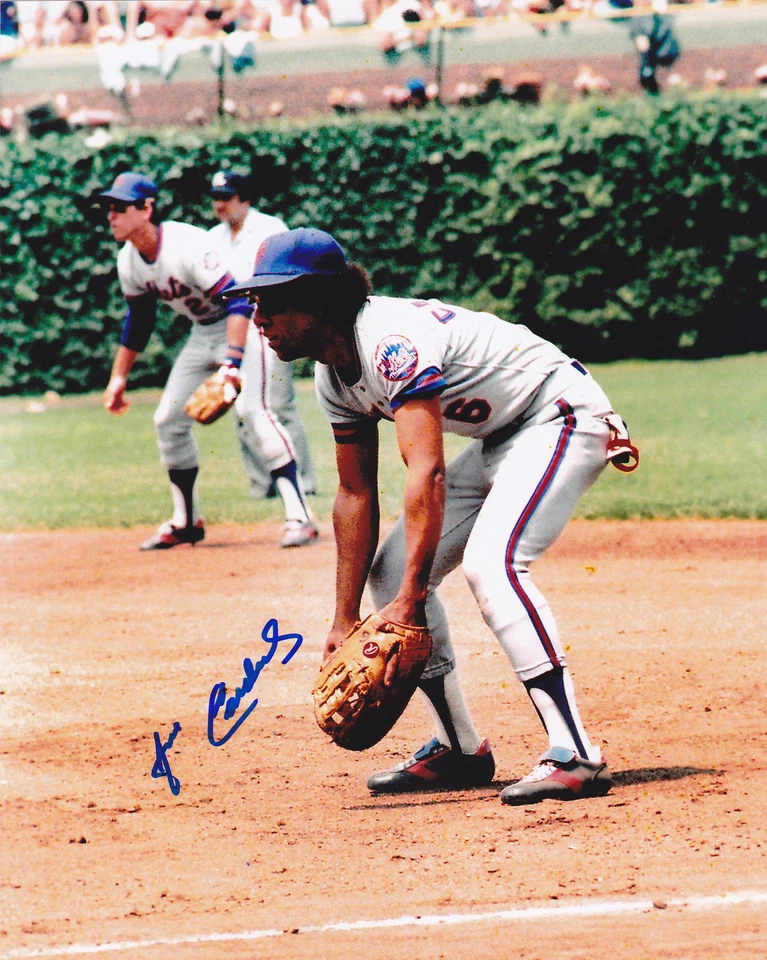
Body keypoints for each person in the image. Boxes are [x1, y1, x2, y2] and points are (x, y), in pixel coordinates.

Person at [220, 228, 639, 805]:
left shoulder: (390, 343)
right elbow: (353, 495)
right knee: (388, 574)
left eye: (270, 300)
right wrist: (344, 618)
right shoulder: (331, 373)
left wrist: (414, 596)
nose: (256, 315)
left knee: (493, 564)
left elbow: (428, 472)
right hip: (504, 436)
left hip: (562, 417)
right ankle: (459, 748)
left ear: (317, 300)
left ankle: (575, 752)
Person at [100, 172, 318, 550]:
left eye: (120, 207)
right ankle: (186, 521)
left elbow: (237, 299)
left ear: (147, 208)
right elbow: (140, 321)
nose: (111, 216)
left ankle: (301, 516)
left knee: (255, 412)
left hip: (249, 324)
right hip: (204, 332)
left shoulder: (185, 245)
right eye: (109, 208)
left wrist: (232, 364)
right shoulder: (128, 262)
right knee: (167, 420)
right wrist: (118, 378)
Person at [206, 169, 318, 506]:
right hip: (234, 330)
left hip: (269, 326)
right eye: (215, 198)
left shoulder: (271, 229)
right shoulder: (212, 237)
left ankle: (304, 481)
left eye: (226, 197)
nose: (219, 204)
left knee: (278, 405)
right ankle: (262, 485)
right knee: (241, 406)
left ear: (246, 199)